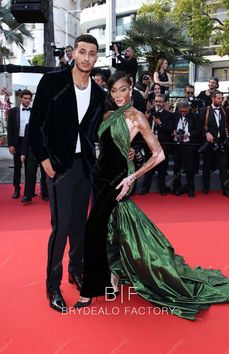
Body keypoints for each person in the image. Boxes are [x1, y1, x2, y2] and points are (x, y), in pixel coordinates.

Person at [74, 71, 229, 321]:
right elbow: (104, 146)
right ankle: (113, 279)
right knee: (111, 229)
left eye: (123, 89)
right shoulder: (107, 114)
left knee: (92, 230)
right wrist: (122, 153)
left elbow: (158, 155)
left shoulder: (138, 117)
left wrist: (132, 177)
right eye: (114, 90)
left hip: (118, 180)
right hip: (99, 179)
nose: (118, 95)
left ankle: (88, 291)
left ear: (132, 90)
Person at [29, 34, 105, 312]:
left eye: (92, 54)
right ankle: (52, 286)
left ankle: (76, 271)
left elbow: (99, 132)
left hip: (85, 167)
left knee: (78, 226)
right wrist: (45, 161)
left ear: (97, 58)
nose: (86, 58)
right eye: (82, 52)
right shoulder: (52, 82)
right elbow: (36, 125)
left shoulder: (98, 94)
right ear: (73, 53)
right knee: (60, 228)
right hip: (59, 166)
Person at [199, 90, 229, 198]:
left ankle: (226, 190)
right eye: (218, 98)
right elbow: (199, 125)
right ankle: (205, 187)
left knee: (223, 166)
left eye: (221, 98)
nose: (220, 100)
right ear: (213, 99)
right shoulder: (205, 110)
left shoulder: (224, 111)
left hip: (222, 142)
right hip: (209, 143)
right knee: (207, 166)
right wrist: (206, 133)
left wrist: (228, 139)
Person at [7, 89, 32, 199]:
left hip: (30, 144)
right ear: (20, 98)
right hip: (18, 143)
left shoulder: (34, 111)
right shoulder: (13, 111)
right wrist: (11, 145)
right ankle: (17, 189)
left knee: (29, 168)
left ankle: (28, 191)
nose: (27, 100)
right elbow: (10, 129)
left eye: (29, 99)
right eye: (25, 98)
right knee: (17, 167)